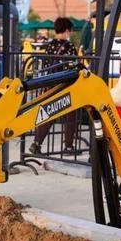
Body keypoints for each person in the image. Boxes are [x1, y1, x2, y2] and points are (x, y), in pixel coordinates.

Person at [29, 17, 78, 155]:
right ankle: (68, 146)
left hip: (50, 83)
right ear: (67, 30)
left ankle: (37, 143)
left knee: (49, 113)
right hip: (64, 84)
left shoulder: (49, 45)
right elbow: (73, 67)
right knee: (70, 114)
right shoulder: (69, 47)